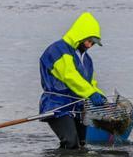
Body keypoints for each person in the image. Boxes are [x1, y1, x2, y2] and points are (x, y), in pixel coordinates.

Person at [38, 11, 107, 149]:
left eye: (93, 43)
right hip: (57, 106)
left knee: (82, 144)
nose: (89, 46)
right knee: (71, 142)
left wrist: (100, 95)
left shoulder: (86, 59)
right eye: (89, 41)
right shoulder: (58, 50)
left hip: (78, 107)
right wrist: (90, 94)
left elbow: (90, 82)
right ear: (80, 35)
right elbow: (70, 77)